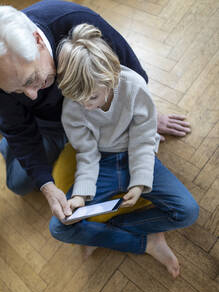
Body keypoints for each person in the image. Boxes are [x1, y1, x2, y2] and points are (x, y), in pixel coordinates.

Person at [0, 0, 191, 222]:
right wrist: (46, 185)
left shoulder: (75, 19)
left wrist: (148, 113)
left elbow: (132, 72)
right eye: (16, 90)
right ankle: (7, 145)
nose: (32, 95)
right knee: (19, 184)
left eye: (32, 80)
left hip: (89, 118)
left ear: (37, 40)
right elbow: (19, 130)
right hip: (47, 125)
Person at [48, 23, 199, 278]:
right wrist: (81, 197)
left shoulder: (134, 86)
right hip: (101, 163)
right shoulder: (74, 106)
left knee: (188, 211)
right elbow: (86, 153)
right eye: (78, 100)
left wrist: (139, 182)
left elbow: (143, 140)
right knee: (59, 227)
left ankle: (108, 233)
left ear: (110, 77)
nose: (86, 106)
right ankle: (145, 242)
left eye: (92, 98)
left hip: (135, 153)